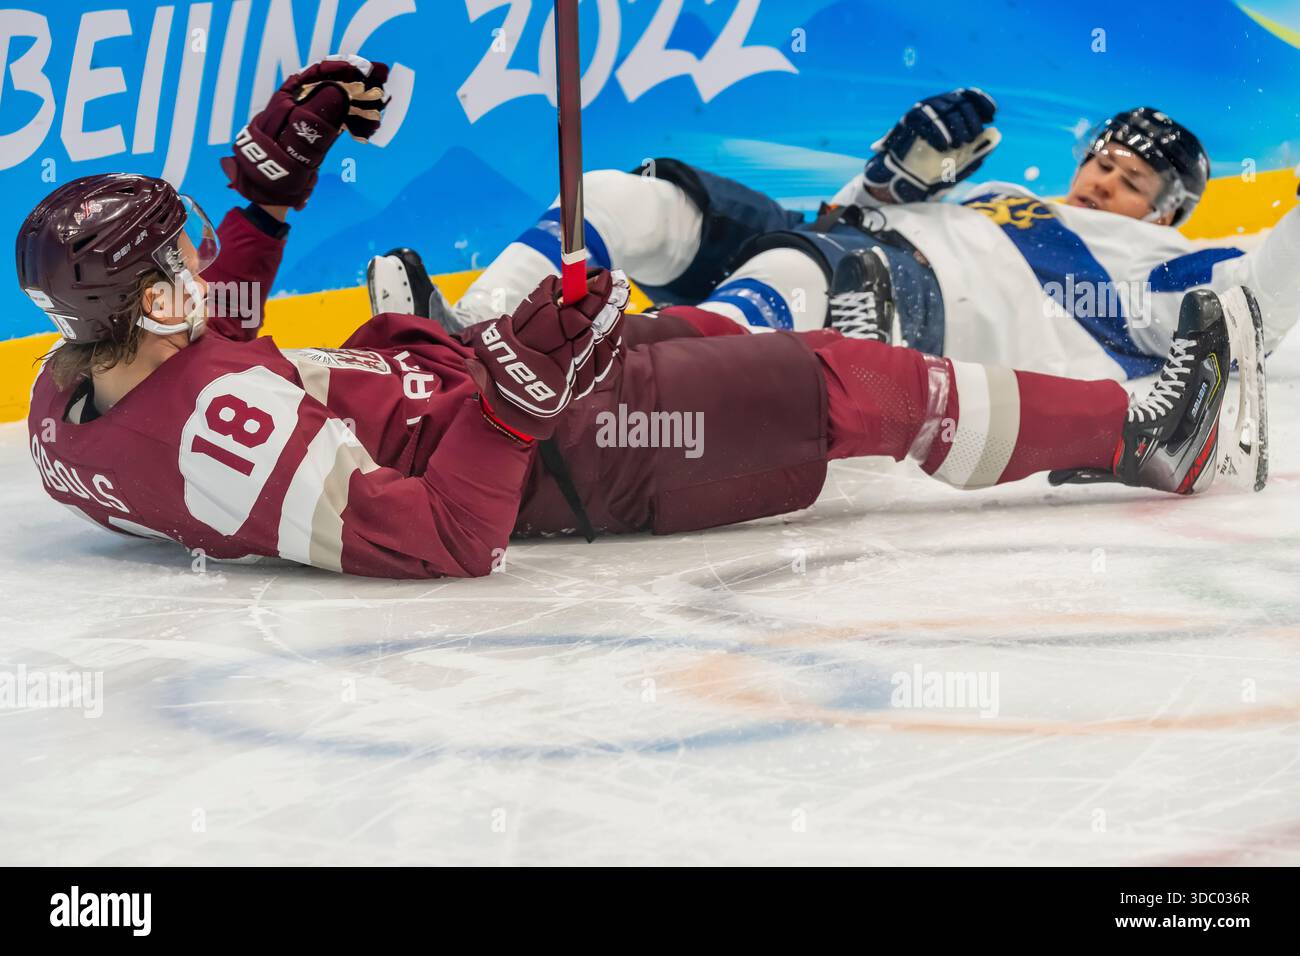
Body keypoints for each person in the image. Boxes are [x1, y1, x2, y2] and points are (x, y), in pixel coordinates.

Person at [16, 63, 1267, 580]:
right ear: (156, 295)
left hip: (464, 386)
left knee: (725, 330)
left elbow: (215, 340)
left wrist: (271, 201)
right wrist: (514, 396)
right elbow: (452, 536)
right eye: (187, 252)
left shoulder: (74, 392)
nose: (203, 260)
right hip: (564, 459)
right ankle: (1148, 438)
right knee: (854, 383)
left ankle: (479, 334)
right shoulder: (219, 435)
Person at [427, 90, 1299, 382]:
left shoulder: (1161, 262)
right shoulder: (995, 189)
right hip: (838, 243)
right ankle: (477, 331)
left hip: (885, 305)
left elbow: (1256, 309)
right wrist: (897, 169)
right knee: (624, 196)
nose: (1102, 178)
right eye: (1101, 159)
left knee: (800, 275)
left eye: (1131, 178)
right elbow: (848, 218)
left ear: (1166, 210)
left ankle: (584, 386)